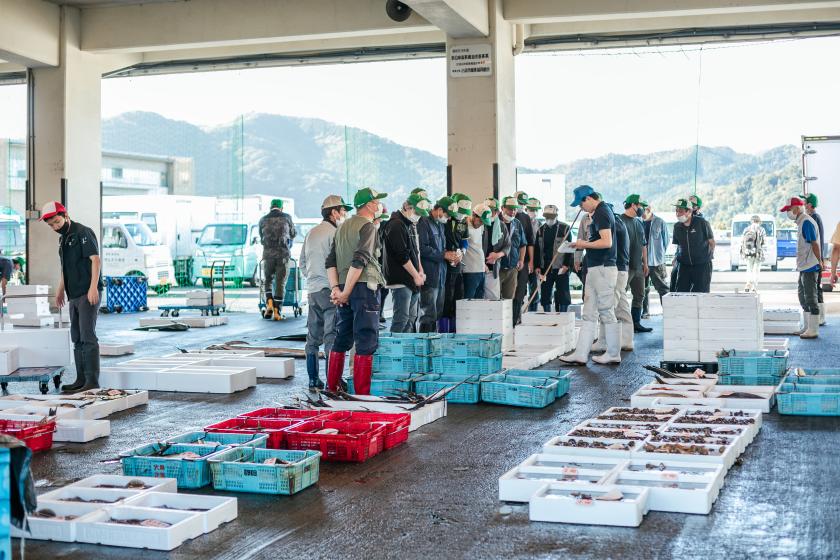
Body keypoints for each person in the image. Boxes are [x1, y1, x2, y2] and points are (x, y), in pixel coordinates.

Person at [325, 187, 388, 394]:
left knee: (342, 336)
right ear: (370, 204)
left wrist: (337, 289)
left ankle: (332, 388)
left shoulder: (341, 228)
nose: (379, 205)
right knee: (366, 338)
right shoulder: (367, 226)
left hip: (344, 286)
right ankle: (362, 395)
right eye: (377, 201)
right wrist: (345, 291)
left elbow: (330, 261)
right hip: (363, 287)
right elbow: (360, 260)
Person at [41, 201, 103, 392]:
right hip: (73, 293)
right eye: (51, 225)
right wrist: (61, 289)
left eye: (57, 222)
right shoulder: (63, 239)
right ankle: (80, 379)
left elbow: (95, 260)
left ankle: (92, 381)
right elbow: (65, 269)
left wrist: (93, 287)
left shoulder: (83, 232)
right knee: (76, 337)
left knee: (87, 336)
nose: (55, 227)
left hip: (87, 292)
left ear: (65, 215)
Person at [561, 187, 620, 365]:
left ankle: (613, 352)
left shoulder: (602, 212)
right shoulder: (600, 212)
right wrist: (581, 245)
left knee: (606, 312)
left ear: (588, 198)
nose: (581, 208)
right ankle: (581, 353)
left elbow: (606, 241)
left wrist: (582, 243)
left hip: (603, 268)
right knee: (588, 313)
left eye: (581, 203)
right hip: (596, 268)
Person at [300, 195, 352, 391]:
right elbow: (342, 262)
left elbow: (302, 263)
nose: (345, 214)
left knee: (313, 338)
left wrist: (313, 278)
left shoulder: (311, 233)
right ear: (334, 212)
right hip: (331, 290)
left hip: (313, 291)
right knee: (331, 336)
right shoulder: (336, 233)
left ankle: (313, 379)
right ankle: (333, 381)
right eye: (343, 211)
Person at [383, 193, 430, 333]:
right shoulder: (396, 224)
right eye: (417, 212)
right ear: (407, 207)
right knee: (401, 319)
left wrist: (420, 271)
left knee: (411, 318)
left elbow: (415, 252)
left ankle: (406, 350)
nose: (419, 216)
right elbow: (402, 255)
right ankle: (394, 351)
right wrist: (416, 275)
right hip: (401, 279)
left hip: (411, 279)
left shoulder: (409, 224)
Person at [781, 197, 821, 339]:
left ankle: (813, 328)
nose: (788, 213)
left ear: (797, 208)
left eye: (789, 210)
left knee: (810, 297)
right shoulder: (801, 222)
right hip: (804, 266)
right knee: (802, 296)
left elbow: (814, 244)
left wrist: (819, 261)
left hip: (810, 266)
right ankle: (807, 326)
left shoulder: (806, 222)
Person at [417, 196, 456, 332]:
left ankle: (433, 342)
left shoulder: (440, 225)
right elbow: (422, 248)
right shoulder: (424, 222)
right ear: (439, 210)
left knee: (438, 312)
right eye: (447, 215)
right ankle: (424, 345)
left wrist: (449, 255)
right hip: (430, 274)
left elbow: (441, 248)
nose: (449, 218)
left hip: (441, 275)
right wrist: (443, 255)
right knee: (428, 313)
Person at [259, 198, 296, 320]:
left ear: (271, 207)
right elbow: (293, 234)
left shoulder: (263, 219)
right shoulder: (286, 217)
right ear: (281, 208)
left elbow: (261, 238)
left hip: (268, 255)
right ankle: (277, 311)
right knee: (281, 283)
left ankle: (269, 302)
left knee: (268, 280)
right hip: (283, 255)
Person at [619, 195, 651, 333]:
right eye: (641, 206)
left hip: (638, 266)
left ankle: (636, 323)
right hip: (625, 266)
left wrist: (646, 263)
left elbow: (644, 244)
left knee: (640, 295)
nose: (642, 209)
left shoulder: (639, 222)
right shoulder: (619, 221)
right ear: (633, 205)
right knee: (621, 295)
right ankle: (622, 324)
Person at [440, 193, 470, 332]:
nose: (462, 216)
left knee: (458, 296)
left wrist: (462, 252)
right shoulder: (444, 220)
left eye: (464, 213)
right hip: (443, 264)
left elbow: (464, 240)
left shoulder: (463, 222)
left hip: (457, 263)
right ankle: (443, 330)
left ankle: (455, 330)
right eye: (460, 212)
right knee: (446, 299)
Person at [534, 204, 573, 312]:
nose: (549, 219)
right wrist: (537, 266)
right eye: (547, 217)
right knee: (545, 294)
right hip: (545, 268)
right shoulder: (541, 230)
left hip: (561, 267)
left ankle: (563, 316)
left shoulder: (565, 229)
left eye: (551, 217)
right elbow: (537, 249)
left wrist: (566, 265)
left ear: (556, 215)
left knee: (563, 294)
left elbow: (569, 249)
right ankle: (548, 318)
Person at [672, 198, 715, 293]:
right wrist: (676, 257)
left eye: (681, 211)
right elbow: (678, 245)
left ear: (689, 211)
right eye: (677, 211)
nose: (678, 214)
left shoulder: (702, 223)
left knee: (701, 293)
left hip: (702, 265)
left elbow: (711, 242)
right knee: (681, 293)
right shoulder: (677, 227)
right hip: (684, 265)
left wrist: (708, 257)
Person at [801, 193, 826, 325]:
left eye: (805, 203)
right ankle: (820, 317)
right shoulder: (813, 217)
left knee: (815, 288)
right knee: (816, 287)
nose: (803, 205)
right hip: (816, 259)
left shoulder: (814, 218)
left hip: (815, 260)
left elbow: (815, 242)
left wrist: (820, 260)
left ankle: (820, 318)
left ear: (810, 205)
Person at [512, 191, 535, 325]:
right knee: (509, 292)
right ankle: (508, 319)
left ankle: (516, 319)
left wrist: (530, 261)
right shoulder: (504, 217)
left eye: (522, 204)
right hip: (508, 262)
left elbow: (529, 242)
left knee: (520, 292)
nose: (520, 206)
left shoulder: (525, 218)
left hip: (523, 261)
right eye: (519, 203)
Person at [642, 204, 669, 318]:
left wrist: (658, 255)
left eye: (642, 212)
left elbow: (666, 241)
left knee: (662, 288)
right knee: (642, 289)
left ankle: (668, 312)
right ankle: (645, 311)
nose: (641, 214)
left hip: (657, 261)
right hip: (642, 261)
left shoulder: (660, 222)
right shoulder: (638, 222)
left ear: (648, 210)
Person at [498, 196, 526, 302]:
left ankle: (509, 319)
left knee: (509, 299)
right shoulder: (495, 222)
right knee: (495, 299)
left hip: (512, 268)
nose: (513, 212)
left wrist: (521, 260)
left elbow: (523, 244)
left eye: (515, 209)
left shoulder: (517, 223)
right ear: (502, 208)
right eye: (510, 209)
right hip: (497, 268)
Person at [462, 203, 492, 299]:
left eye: (484, 222)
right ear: (474, 215)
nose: (481, 224)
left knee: (479, 302)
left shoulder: (481, 226)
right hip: (469, 270)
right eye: (481, 220)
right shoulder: (464, 225)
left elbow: (479, 246)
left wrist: (483, 264)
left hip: (481, 269)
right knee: (468, 302)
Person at [482, 198, 510, 300]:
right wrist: (481, 262)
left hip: (492, 269)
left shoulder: (502, 226)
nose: (489, 213)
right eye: (486, 210)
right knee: (477, 299)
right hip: (477, 267)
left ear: (497, 211)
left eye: (492, 210)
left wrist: (497, 255)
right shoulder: (479, 223)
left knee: (493, 299)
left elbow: (508, 245)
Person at [741, 215, 766, 293]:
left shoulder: (746, 229)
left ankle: (748, 284)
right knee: (756, 270)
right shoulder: (761, 229)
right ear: (759, 221)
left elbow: (742, 241)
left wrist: (743, 252)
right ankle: (754, 287)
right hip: (758, 253)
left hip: (748, 252)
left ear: (751, 221)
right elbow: (764, 242)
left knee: (749, 269)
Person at [526, 197, 542, 312]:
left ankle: (532, 314)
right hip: (522, 260)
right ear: (526, 209)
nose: (534, 212)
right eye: (532, 209)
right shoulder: (520, 221)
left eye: (536, 210)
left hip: (534, 261)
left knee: (534, 290)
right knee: (519, 290)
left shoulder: (540, 225)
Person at [574, 210, 592, 302]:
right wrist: (577, 259)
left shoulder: (604, 216)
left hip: (603, 260)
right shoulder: (585, 218)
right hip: (588, 258)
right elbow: (580, 238)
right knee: (587, 290)